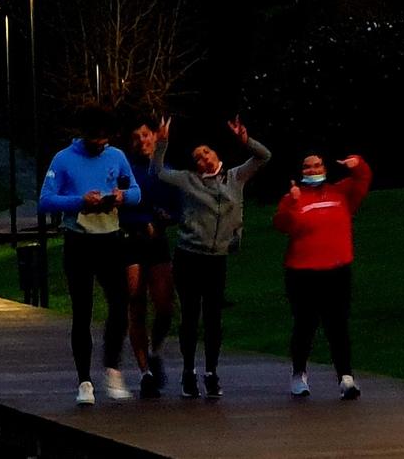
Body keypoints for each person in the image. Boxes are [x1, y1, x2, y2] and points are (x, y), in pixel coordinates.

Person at [149, 115, 269, 400]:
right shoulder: (188, 180)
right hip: (190, 255)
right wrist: (162, 143)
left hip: (217, 257)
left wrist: (245, 140)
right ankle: (188, 372)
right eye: (197, 157)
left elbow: (264, 156)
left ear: (215, 154)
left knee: (214, 317)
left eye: (206, 152)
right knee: (191, 315)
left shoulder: (235, 177)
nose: (203, 158)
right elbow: (157, 172)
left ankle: (211, 372)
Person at [38, 104, 138, 406]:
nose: (101, 143)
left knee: (120, 303)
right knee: (82, 310)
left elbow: (135, 190)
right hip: (79, 239)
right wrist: (79, 201)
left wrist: (121, 196)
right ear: (84, 135)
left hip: (110, 237)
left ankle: (113, 368)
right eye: (96, 138)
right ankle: (84, 380)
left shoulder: (116, 156)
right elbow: (45, 200)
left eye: (105, 138)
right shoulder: (64, 159)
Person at [272, 149, 372, 399]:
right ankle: (298, 375)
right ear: (300, 172)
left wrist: (356, 163)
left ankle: (346, 377)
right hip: (302, 272)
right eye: (307, 167)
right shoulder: (292, 198)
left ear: (325, 169)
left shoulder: (340, 193)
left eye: (317, 165)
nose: (313, 170)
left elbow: (363, 179)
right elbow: (283, 225)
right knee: (305, 325)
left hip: (337, 270)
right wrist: (293, 203)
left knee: (337, 324)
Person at [120, 113, 181, 398]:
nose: (142, 141)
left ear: (155, 137)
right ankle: (144, 371)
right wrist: (139, 220)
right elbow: (119, 204)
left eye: (146, 135)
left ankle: (156, 350)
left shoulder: (165, 171)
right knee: (136, 302)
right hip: (131, 241)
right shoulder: (126, 171)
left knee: (164, 304)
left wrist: (165, 218)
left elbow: (180, 209)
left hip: (157, 243)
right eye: (136, 137)